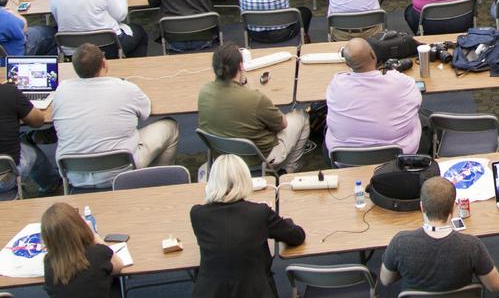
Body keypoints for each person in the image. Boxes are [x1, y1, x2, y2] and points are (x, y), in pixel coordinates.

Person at [51, 43, 179, 187]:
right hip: (122, 172)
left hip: (74, 175)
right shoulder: (124, 88)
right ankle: (160, 183)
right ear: (104, 63)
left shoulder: (61, 90)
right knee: (170, 126)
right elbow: (146, 112)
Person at [189, 153, 306, 297]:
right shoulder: (259, 213)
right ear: (245, 179)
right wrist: (285, 222)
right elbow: (297, 237)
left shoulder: (197, 214)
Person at [198, 43, 309, 172]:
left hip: (223, 159)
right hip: (260, 159)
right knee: (301, 117)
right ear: (241, 66)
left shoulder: (204, 91)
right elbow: (282, 124)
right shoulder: (255, 99)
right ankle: (288, 171)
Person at [380, 176, 499, 294]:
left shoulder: (400, 243)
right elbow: (494, 286)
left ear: (422, 207)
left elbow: (386, 280)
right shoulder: (473, 246)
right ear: (453, 208)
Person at [325, 37, 422, 156]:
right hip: (400, 160)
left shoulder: (336, 84)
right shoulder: (400, 82)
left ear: (347, 63)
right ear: (373, 54)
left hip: (344, 161)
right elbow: (417, 103)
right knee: (421, 117)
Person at [0, 45, 56, 195]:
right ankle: (51, 185)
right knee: (30, 149)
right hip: (6, 177)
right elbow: (38, 122)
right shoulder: (9, 92)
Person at [40, 201, 125, 297]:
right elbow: (119, 266)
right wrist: (93, 234)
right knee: (113, 280)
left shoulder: (49, 262)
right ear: (80, 225)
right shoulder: (98, 253)